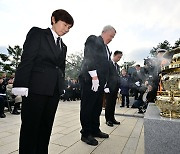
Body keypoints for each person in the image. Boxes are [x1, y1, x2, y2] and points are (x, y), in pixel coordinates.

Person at [12, 9, 74, 154]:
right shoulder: (38, 34)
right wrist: (21, 83)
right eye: (65, 25)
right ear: (53, 19)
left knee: (46, 126)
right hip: (36, 88)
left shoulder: (63, 46)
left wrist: (61, 86)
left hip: (53, 91)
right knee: (31, 127)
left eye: (69, 28)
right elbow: (27, 58)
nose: (66, 30)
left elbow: (61, 68)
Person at [79, 25, 116, 146]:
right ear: (104, 32)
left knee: (97, 107)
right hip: (90, 80)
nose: (111, 38)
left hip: (100, 82)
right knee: (88, 106)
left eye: (113, 37)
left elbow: (107, 67)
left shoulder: (107, 49)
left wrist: (106, 83)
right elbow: (89, 56)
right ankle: (86, 133)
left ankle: (95, 129)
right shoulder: (93, 39)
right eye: (111, 35)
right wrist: (94, 76)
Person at [104, 50, 122, 127]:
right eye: (118, 57)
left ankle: (112, 118)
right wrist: (106, 86)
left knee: (113, 104)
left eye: (120, 57)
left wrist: (119, 87)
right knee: (108, 104)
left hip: (115, 87)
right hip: (109, 87)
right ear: (114, 55)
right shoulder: (108, 63)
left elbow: (118, 77)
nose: (119, 59)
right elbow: (105, 75)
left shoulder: (117, 66)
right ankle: (108, 120)